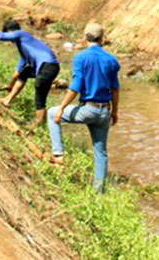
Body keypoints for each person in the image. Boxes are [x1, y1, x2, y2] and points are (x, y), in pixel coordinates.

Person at [48, 22, 120, 193]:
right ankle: (98, 191)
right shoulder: (111, 60)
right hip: (104, 111)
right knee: (100, 151)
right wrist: (115, 111)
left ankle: (58, 154)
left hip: (88, 109)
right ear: (102, 38)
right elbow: (115, 89)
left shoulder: (80, 57)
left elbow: (75, 86)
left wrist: (62, 107)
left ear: (85, 37)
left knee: (51, 113)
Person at [0, 18, 60, 126]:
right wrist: (10, 84)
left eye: (9, 36)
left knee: (39, 91)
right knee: (26, 72)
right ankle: (7, 100)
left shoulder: (21, 34)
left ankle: (39, 122)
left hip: (48, 66)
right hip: (48, 66)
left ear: (11, 32)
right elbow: (18, 72)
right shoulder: (23, 46)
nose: (10, 41)